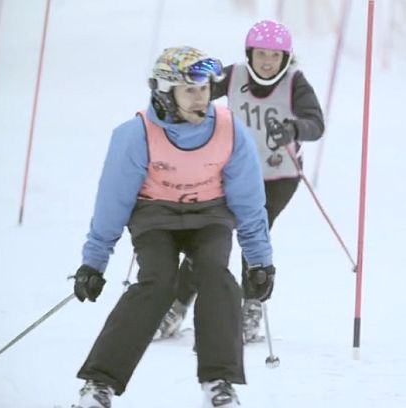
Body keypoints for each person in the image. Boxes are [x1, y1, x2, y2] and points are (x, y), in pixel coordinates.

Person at [70, 45, 275, 408]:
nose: (202, 98)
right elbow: (112, 202)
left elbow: (248, 199)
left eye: (206, 89)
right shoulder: (135, 135)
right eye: (190, 90)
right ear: (165, 93)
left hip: (210, 215)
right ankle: (98, 385)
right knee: (158, 282)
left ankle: (219, 383)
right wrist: (94, 262)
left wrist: (260, 260)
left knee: (216, 274)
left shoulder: (230, 131)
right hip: (156, 217)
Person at [155, 20, 324, 343]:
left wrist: (293, 128)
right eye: (261, 54)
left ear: (286, 58)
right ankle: (176, 306)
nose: (267, 62)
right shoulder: (234, 76)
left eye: (275, 56)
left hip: (278, 177)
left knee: (253, 233)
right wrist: (173, 94)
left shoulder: (294, 83)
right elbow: (196, 88)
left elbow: (316, 123)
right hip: (232, 172)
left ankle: (252, 306)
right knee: (206, 236)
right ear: (250, 53)